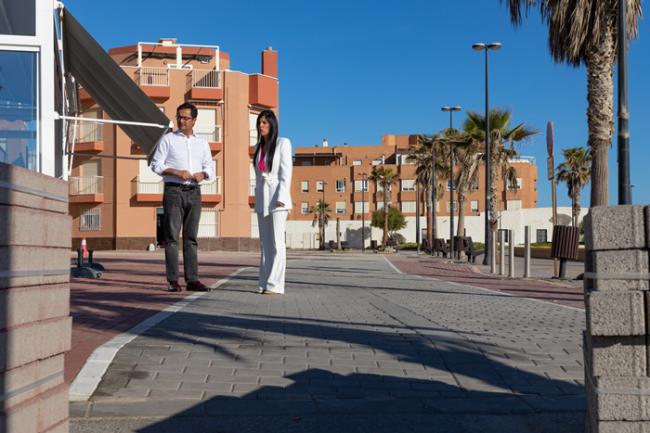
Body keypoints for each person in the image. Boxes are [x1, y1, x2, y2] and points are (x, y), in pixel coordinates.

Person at [150, 102, 214, 292]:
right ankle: (172, 281)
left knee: (191, 238)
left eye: (185, 117)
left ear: (194, 120)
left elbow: (209, 166)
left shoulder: (202, 143)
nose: (181, 120)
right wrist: (176, 172)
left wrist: (204, 174)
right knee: (172, 238)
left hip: (194, 192)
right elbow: (156, 164)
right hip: (173, 191)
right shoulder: (168, 140)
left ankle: (192, 280)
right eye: (179, 116)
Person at [253, 110, 292, 294]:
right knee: (265, 244)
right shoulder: (258, 148)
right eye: (259, 122)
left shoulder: (283, 143)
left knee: (277, 243)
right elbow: (259, 176)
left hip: (278, 199)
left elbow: (286, 174)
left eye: (264, 123)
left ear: (272, 125)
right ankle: (264, 282)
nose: (261, 126)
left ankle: (275, 285)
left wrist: (281, 198)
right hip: (262, 199)